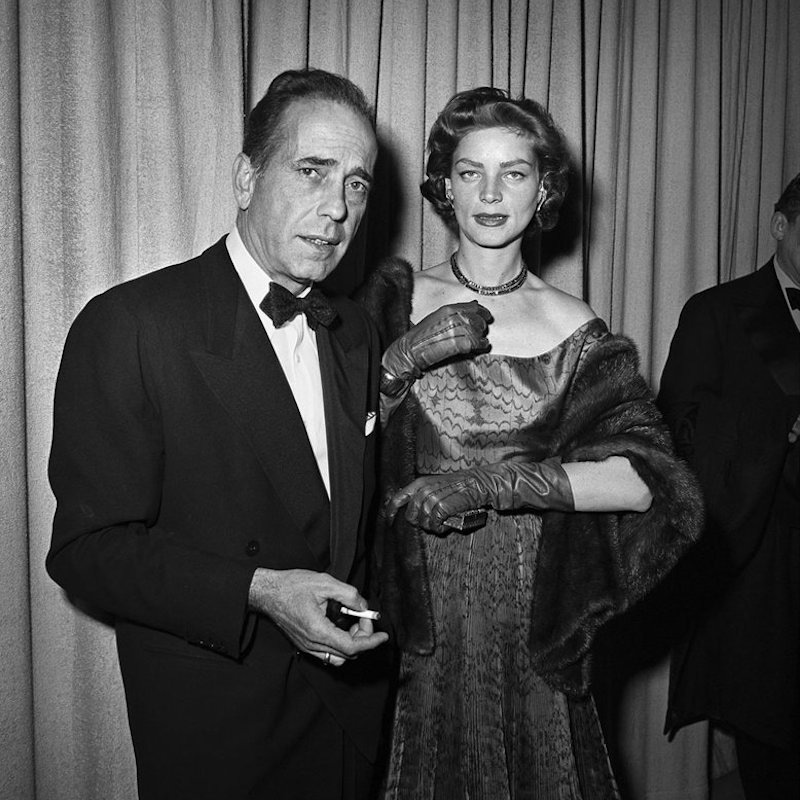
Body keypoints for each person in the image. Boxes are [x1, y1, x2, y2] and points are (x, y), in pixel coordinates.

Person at [46, 68, 392, 800]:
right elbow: (86, 550)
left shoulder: (357, 331)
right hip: (221, 739)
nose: (336, 208)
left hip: (347, 728)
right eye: (312, 171)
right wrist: (259, 590)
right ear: (246, 178)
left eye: (357, 184)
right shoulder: (132, 326)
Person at [357, 87, 703, 799]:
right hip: (418, 623)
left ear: (543, 188)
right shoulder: (387, 302)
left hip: (533, 619)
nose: (490, 192)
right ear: (442, 185)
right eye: (469, 171)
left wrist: (498, 485)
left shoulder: (575, 326)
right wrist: (393, 370)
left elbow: (648, 481)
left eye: (513, 172)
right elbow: (327, 456)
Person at [659, 173, 800, 798]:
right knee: (768, 751)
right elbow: (674, 433)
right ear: (780, 225)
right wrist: (779, 431)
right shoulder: (715, 311)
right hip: (762, 567)